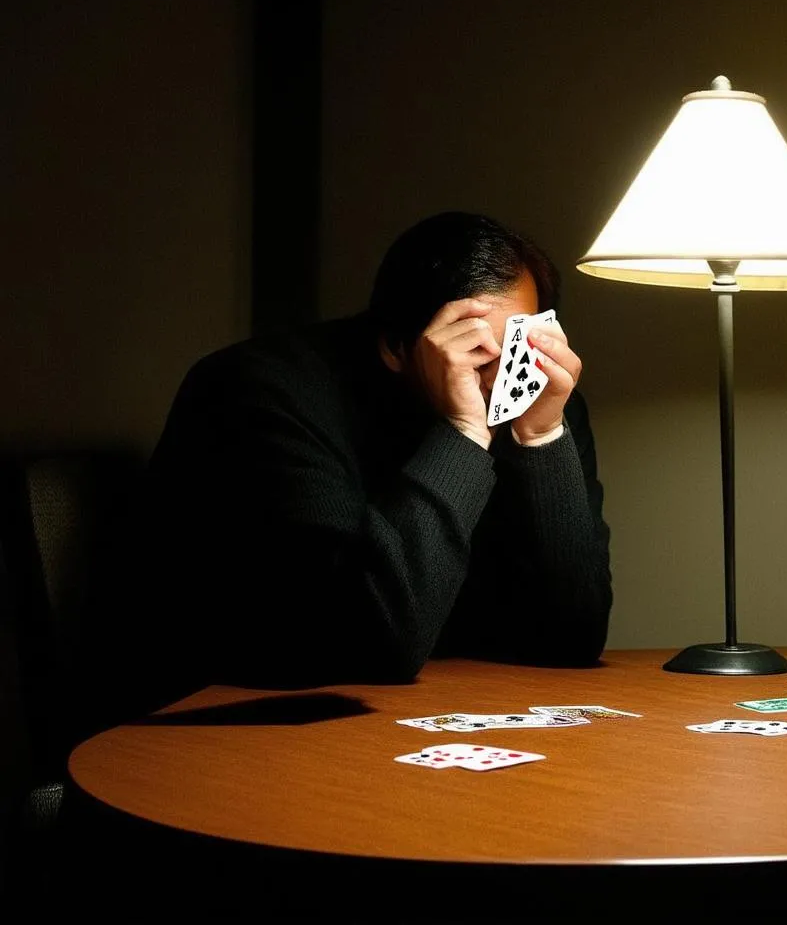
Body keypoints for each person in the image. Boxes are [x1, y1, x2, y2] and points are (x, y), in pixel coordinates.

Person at [131, 211, 612, 700]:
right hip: (229, 714)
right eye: (476, 352)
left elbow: (573, 640)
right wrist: (464, 431)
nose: (504, 379)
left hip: (429, 708)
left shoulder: (544, 401)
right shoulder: (260, 393)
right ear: (395, 346)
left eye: (520, 348)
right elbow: (374, 642)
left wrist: (544, 437)